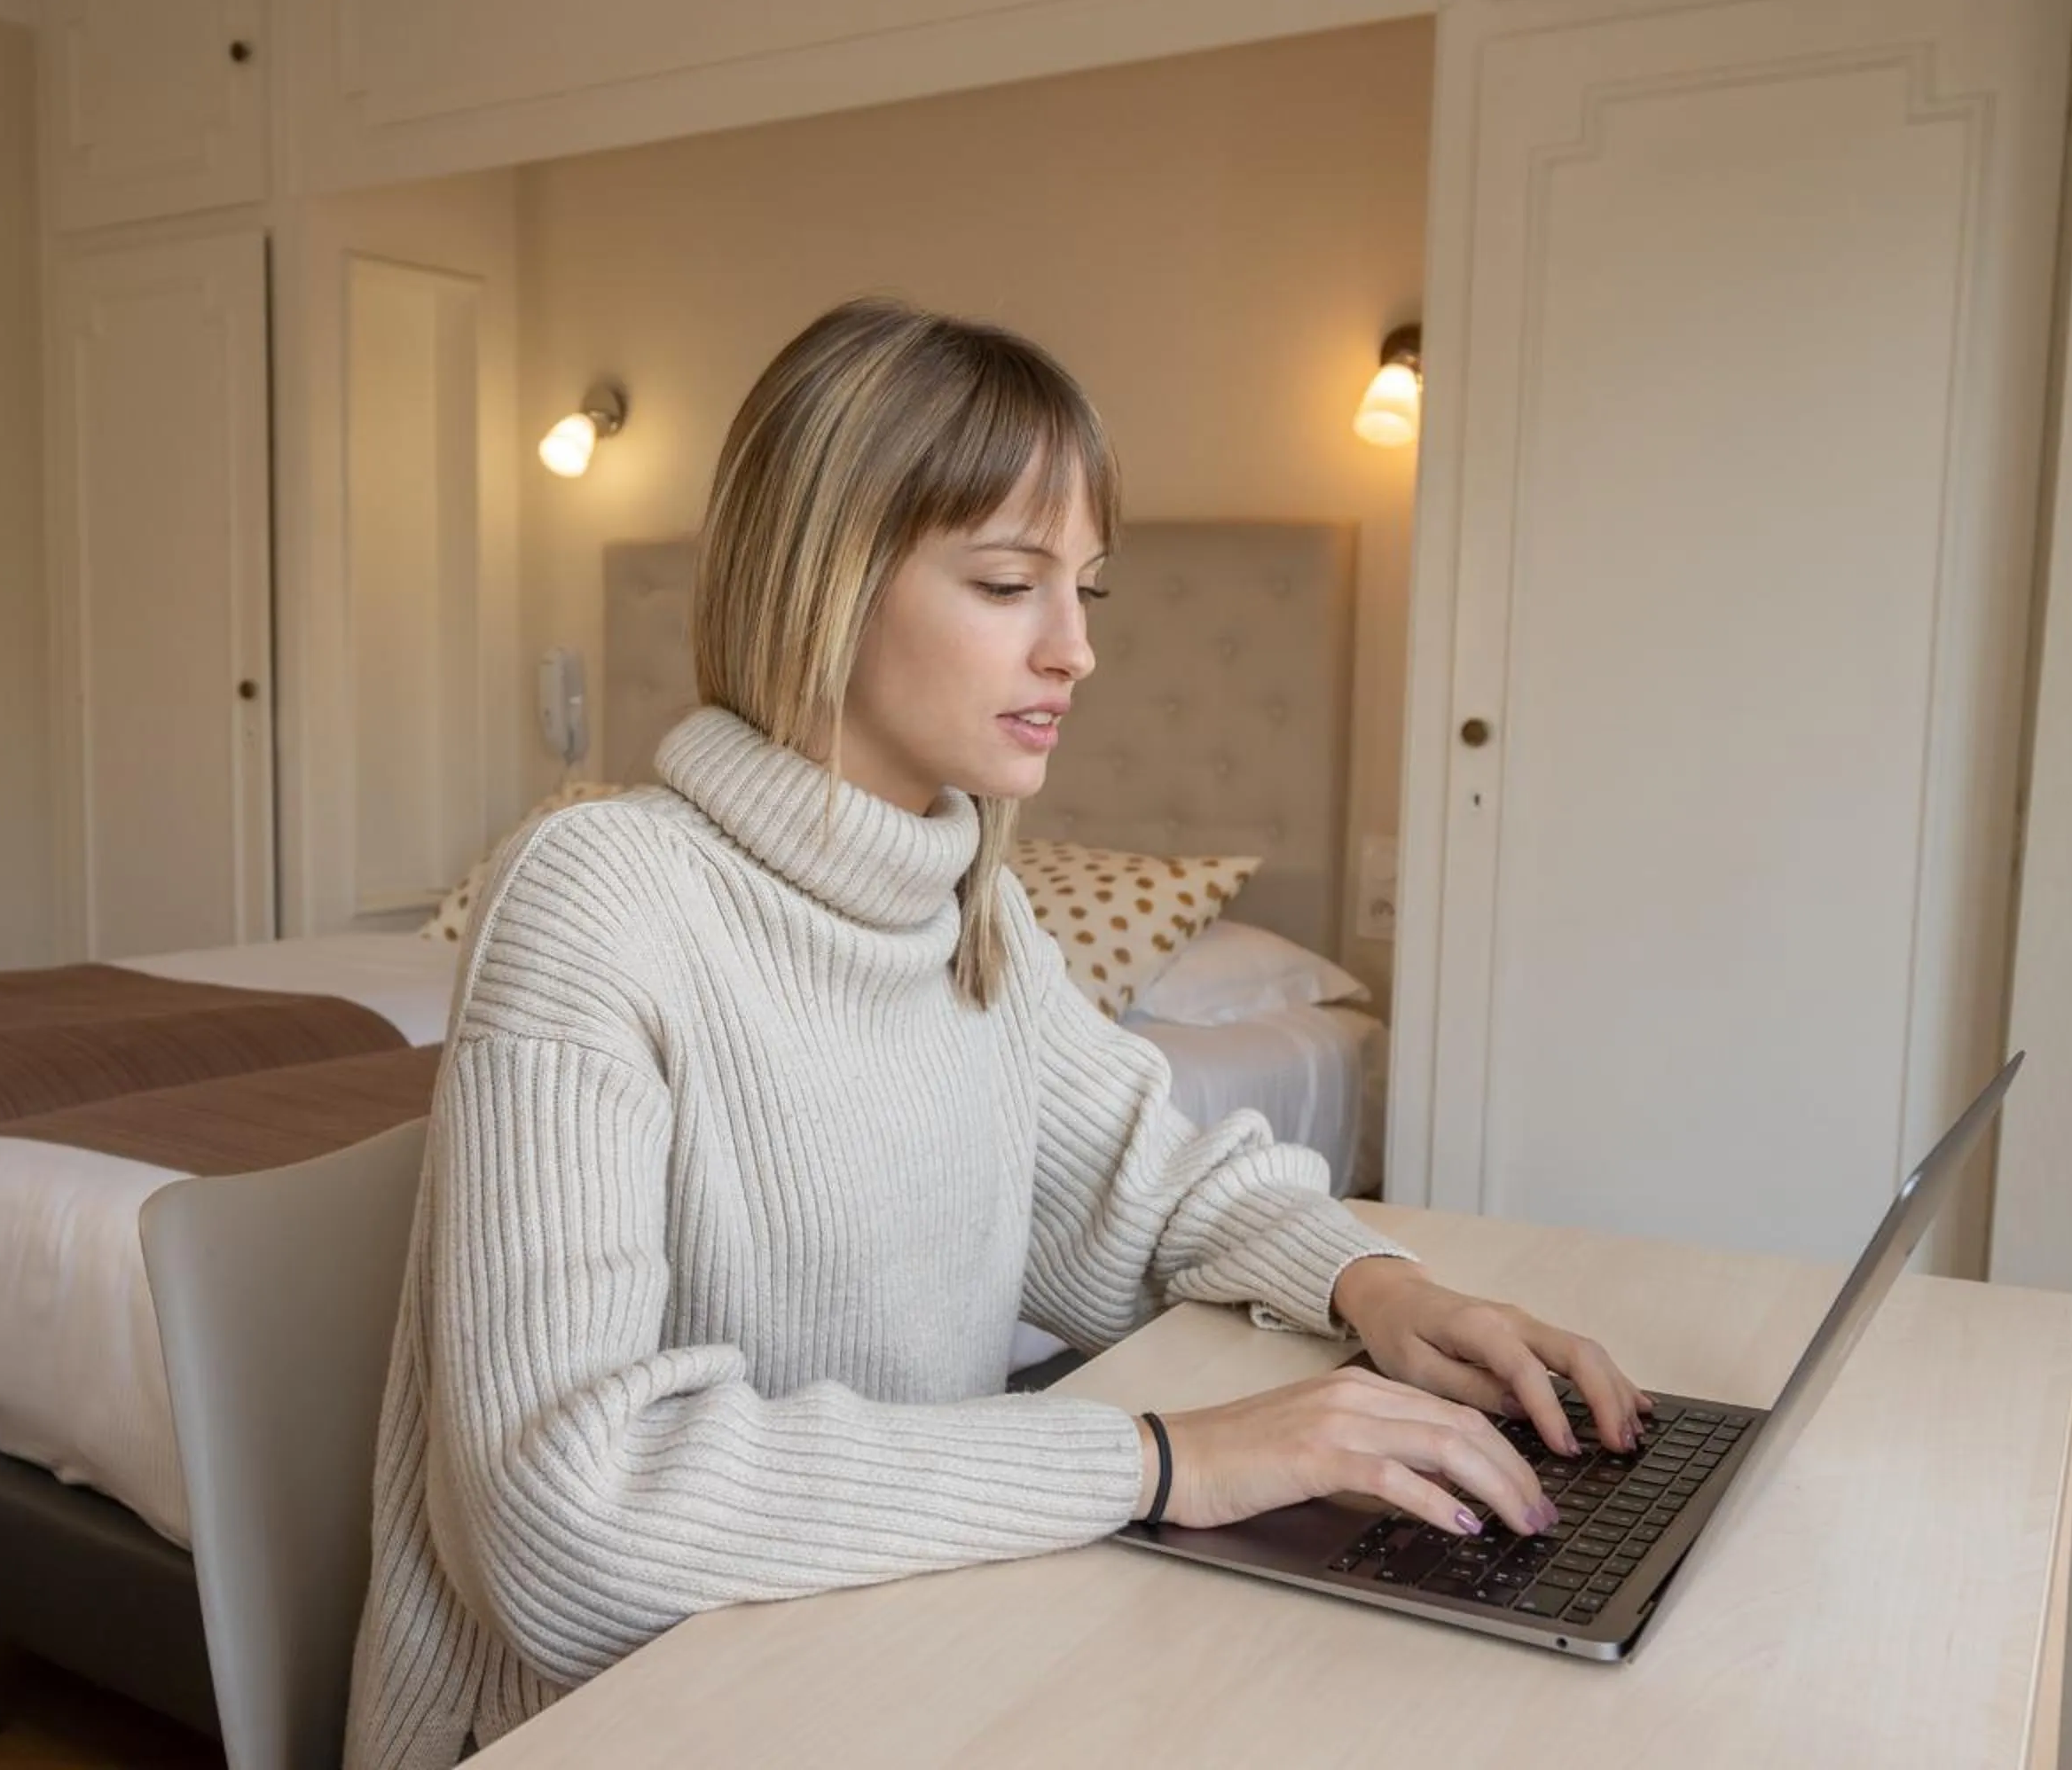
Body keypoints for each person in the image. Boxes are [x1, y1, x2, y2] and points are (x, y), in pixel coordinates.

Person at [344, 298, 1650, 1766]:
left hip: (894, 1647)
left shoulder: (972, 904)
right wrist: (1160, 1460)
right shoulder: (601, 900)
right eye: (1009, 581)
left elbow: (1133, 1195)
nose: (1075, 651)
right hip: (630, 1716)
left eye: (1089, 589)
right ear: (824, 586)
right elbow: (564, 1524)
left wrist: (1380, 1292)